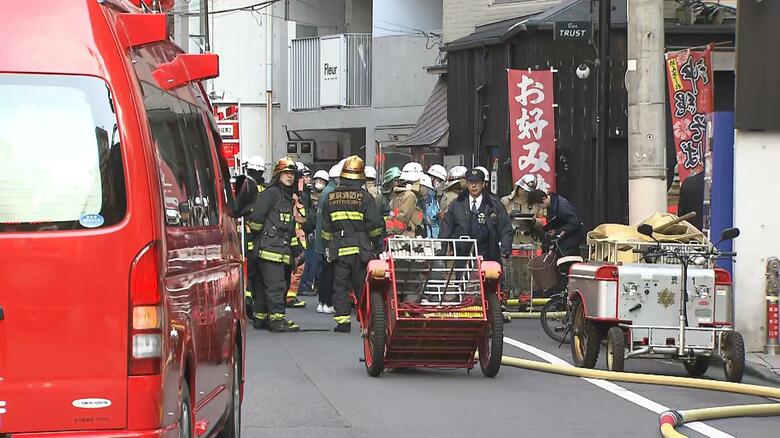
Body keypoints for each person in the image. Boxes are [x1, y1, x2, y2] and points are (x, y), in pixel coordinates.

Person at [321, 156, 386, 332]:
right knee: (362, 286)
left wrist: (327, 246)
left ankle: (342, 322)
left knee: (340, 285)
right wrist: (379, 246)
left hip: (340, 248)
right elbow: (374, 226)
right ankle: (367, 321)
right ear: (361, 177)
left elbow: (326, 227)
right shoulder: (365, 198)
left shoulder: (331, 197)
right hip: (361, 249)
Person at [247, 157, 301, 332]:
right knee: (276, 285)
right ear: (278, 175)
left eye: (292, 174)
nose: (289, 177)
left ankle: (260, 318)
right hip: (269, 250)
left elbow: (289, 228)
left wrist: (296, 249)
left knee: (263, 286)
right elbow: (255, 219)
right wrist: (259, 237)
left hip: (279, 249)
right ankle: (277, 320)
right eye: (286, 173)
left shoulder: (287, 198)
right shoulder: (271, 193)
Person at [440, 168, 513, 262]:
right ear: (466, 183)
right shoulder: (456, 204)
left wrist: (505, 250)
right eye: (470, 182)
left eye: (477, 182)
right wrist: (442, 251)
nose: (473, 186)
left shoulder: (494, 204)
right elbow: (445, 228)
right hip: (462, 257)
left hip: (489, 257)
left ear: (483, 184)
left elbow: (506, 228)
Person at [527, 188, 586, 292]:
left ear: (544, 198)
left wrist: (557, 231)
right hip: (565, 241)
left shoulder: (561, 206)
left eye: (539, 205)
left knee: (566, 269)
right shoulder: (555, 204)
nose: (539, 208)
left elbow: (575, 222)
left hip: (571, 243)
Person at [313, 161, 344, 314]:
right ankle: (328, 302)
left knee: (325, 270)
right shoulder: (331, 194)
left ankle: (322, 302)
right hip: (329, 240)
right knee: (330, 272)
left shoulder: (325, 192)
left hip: (322, 239)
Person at [285, 162, 315, 308]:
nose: (308, 179)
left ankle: (289, 296)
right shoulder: (294, 195)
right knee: (297, 264)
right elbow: (299, 216)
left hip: (299, 232)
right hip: (295, 233)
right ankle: (289, 297)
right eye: (305, 176)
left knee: (297, 265)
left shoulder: (301, 194)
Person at [386, 164, 425, 237]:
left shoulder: (399, 194)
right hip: (407, 236)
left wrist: (390, 232)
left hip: (400, 236)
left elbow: (391, 215)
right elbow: (403, 217)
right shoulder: (410, 195)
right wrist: (396, 232)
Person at [420, 174, 440, 238]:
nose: (422, 188)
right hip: (422, 233)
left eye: (424, 186)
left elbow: (436, 216)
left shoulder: (434, 201)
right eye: (421, 186)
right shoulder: (418, 201)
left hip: (434, 234)